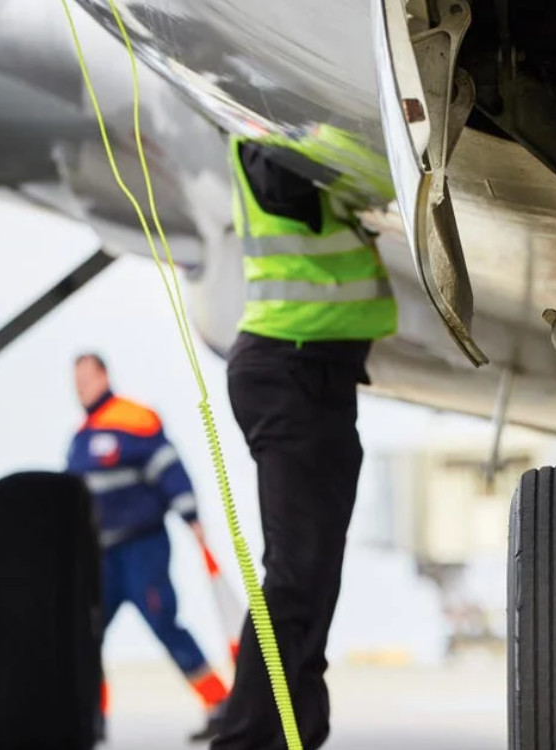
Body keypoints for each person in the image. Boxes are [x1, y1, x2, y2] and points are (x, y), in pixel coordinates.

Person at [213, 133, 397, 749]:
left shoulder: (288, 136)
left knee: (311, 575)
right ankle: (244, 739)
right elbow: (383, 168)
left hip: (312, 374)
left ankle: (298, 732)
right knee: (296, 575)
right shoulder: (274, 141)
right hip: (290, 372)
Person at [66, 353, 230, 742]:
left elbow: (167, 468)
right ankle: (91, 715)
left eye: (86, 379)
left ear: (104, 375)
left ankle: (220, 703)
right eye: (76, 382)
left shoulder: (133, 420)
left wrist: (191, 517)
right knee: (85, 633)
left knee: (164, 624)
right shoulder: (80, 438)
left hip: (142, 547)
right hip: (101, 557)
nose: (81, 389)